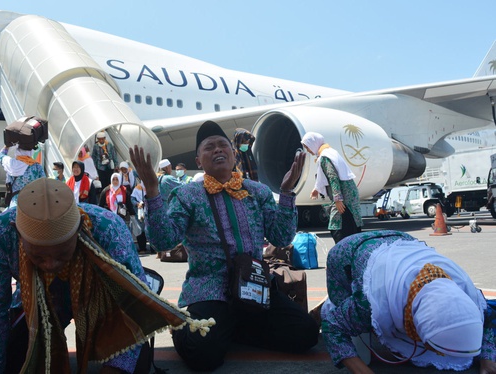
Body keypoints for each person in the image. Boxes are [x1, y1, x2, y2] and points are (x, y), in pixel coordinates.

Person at [130, 120, 319, 371]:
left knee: (306, 334)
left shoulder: (258, 192)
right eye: (209, 147)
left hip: (255, 288)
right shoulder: (187, 195)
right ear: (198, 161)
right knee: (203, 355)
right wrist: (153, 191)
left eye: (223, 146)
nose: (218, 150)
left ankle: (233, 329)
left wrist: (286, 193)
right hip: (210, 289)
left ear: (233, 154)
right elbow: (164, 241)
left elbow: (282, 237)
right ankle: (185, 326)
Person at [0, 178, 196, 373]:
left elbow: (132, 306)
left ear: (80, 228)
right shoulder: (2, 233)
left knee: (135, 364)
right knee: (16, 361)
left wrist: (117, 368)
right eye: (38, 257)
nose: (50, 265)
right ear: (18, 234)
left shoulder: (108, 229)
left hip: (104, 301)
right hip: (41, 302)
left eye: (63, 254)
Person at [320, 230, 496, 374]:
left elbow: (489, 315)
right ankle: (328, 306)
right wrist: (362, 370)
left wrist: (488, 357)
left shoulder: (466, 290)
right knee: (348, 316)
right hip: (348, 252)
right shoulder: (371, 303)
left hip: (402, 240)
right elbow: (332, 326)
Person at [301, 132, 363, 243]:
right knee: (350, 227)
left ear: (314, 144)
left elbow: (333, 177)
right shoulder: (330, 153)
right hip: (349, 196)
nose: (308, 151)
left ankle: (343, 256)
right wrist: (316, 189)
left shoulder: (325, 157)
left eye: (308, 147)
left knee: (338, 228)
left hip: (344, 199)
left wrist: (338, 199)